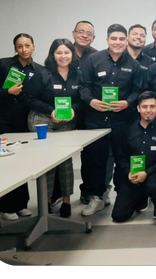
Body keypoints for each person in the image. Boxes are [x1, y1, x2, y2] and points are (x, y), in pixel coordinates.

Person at [79, 24, 144, 216]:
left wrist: (127, 102)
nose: (118, 42)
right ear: (107, 40)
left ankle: (124, 194)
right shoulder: (93, 60)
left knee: (122, 160)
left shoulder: (134, 65)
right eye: (114, 39)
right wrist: (91, 101)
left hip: (123, 121)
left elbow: (138, 90)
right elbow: (83, 86)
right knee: (97, 160)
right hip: (97, 120)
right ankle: (97, 197)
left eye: (121, 39)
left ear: (126, 41)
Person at [0, 33, 44, 221]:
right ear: (15, 49)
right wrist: (6, 91)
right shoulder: (4, 64)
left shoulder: (39, 70)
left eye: (27, 45)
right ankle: (6, 207)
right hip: (1, 119)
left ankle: (21, 205)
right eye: (19, 46)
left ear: (34, 47)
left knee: (22, 161)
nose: (24, 49)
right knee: (5, 162)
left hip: (23, 120)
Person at [25, 38, 82, 218]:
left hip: (67, 122)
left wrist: (74, 109)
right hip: (43, 121)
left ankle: (66, 201)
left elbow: (82, 98)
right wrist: (51, 111)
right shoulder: (42, 73)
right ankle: (46, 201)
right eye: (59, 53)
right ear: (53, 55)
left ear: (72, 54)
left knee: (65, 162)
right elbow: (29, 98)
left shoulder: (77, 74)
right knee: (47, 162)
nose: (63, 56)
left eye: (67, 52)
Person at [111, 91, 156, 222]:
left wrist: (147, 172)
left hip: (155, 172)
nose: (148, 110)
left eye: (152, 106)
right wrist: (128, 172)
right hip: (133, 174)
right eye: (144, 107)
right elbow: (120, 156)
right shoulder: (126, 129)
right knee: (119, 216)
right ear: (138, 108)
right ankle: (141, 197)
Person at [70, 20, 98, 206]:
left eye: (89, 33)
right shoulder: (64, 51)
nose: (85, 35)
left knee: (90, 155)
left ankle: (88, 190)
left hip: (88, 112)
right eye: (81, 32)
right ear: (74, 33)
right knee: (61, 156)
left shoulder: (97, 56)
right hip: (64, 113)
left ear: (94, 38)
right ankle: (55, 194)